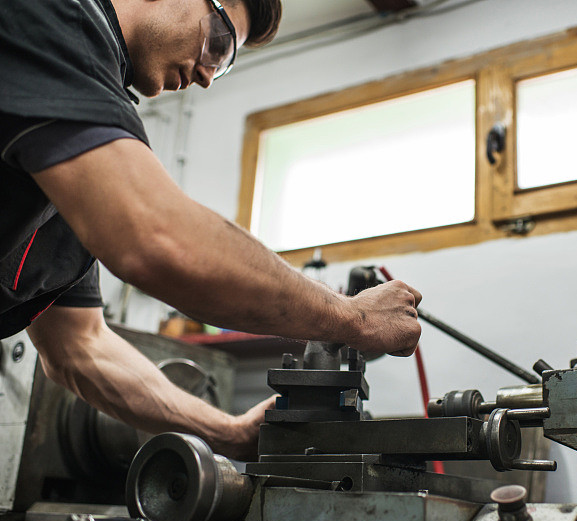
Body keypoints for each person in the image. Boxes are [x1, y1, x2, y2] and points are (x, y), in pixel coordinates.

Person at [0, 0, 422, 461]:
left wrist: (227, 432)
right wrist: (354, 319)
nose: (205, 74)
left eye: (220, 65)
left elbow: (79, 347)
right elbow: (159, 239)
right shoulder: (53, 15)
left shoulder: (80, 132)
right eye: (218, 42)